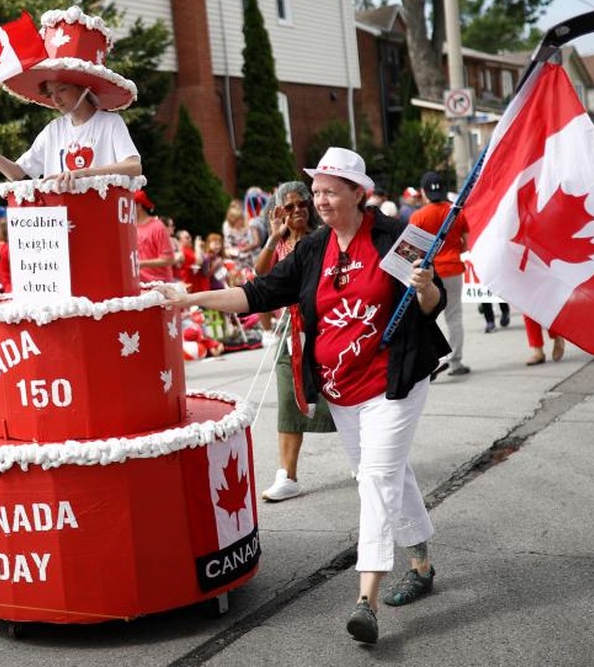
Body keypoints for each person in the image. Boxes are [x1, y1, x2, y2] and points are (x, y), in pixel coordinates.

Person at [160, 147, 451, 644]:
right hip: (342, 388)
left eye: (330, 191)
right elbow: (257, 293)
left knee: (376, 479)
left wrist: (423, 286)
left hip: (394, 380)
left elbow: (431, 302)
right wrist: (189, 298)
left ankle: (366, 600)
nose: (320, 200)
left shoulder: (394, 236)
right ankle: (421, 565)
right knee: (385, 474)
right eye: (316, 191)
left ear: (358, 194)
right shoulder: (314, 249)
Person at [0, 8, 141, 187]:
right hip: (59, 206)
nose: (55, 99)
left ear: (84, 88)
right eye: (51, 93)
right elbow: (17, 174)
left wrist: (84, 173)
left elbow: (134, 166)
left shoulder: (110, 123)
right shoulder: (54, 130)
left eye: (62, 90)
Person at [254, 181, 336, 502]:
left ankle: (365, 459)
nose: (298, 210)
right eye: (290, 207)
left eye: (303, 204)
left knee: (343, 397)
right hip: (292, 334)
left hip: (327, 329)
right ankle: (287, 476)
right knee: (289, 398)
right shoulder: (280, 243)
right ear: (280, 212)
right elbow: (260, 275)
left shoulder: (324, 237)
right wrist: (274, 236)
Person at [410, 171, 470, 376]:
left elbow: (412, 249)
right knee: (454, 316)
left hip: (428, 273)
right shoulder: (457, 213)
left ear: (424, 192)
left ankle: (433, 359)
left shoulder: (418, 216)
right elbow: (466, 244)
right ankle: (456, 362)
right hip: (453, 269)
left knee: (427, 318)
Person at [134, 190, 175, 283]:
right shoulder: (130, 228)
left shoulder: (157, 227)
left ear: (138, 206)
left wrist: (141, 264)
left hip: (160, 284)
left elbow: (168, 259)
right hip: (139, 284)